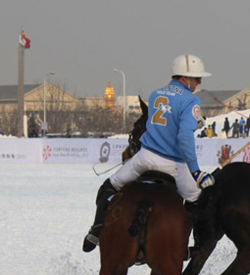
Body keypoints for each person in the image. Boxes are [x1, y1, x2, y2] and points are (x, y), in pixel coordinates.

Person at [81, 54, 216, 252]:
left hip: (144, 158)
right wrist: (196, 172)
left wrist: (193, 122)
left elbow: (165, 121)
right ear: (185, 78)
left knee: (108, 187)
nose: (199, 82)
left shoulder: (155, 94)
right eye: (197, 78)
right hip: (173, 165)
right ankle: (189, 247)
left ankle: (97, 228)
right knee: (200, 199)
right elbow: (184, 138)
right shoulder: (191, 100)